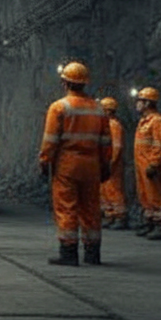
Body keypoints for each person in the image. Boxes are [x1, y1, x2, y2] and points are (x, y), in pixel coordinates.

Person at [39, 62, 111, 266]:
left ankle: (69, 252)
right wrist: (105, 165)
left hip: (67, 165)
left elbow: (51, 140)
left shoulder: (59, 107)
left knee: (67, 207)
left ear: (65, 82)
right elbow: (106, 141)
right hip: (92, 165)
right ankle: (93, 253)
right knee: (91, 207)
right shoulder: (99, 109)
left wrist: (45, 161)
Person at [132, 87, 161, 240]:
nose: (137, 104)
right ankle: (150, 222)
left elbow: (160, 144)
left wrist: (154, 164)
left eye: (140, 101)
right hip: (142, 165)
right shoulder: (143, 122)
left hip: (151, 166)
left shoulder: (157, 121)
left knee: (156, 195)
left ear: (147, 103)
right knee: (145, 194)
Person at [99, 97, 128, 230]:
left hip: (112, 165)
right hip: (105, 163)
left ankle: (120, 216)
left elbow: (116, 146)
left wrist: (111, 162)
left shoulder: (114, 125)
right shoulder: (105, 124)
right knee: (105, 190)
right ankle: (110, 215)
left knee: (114, 190)